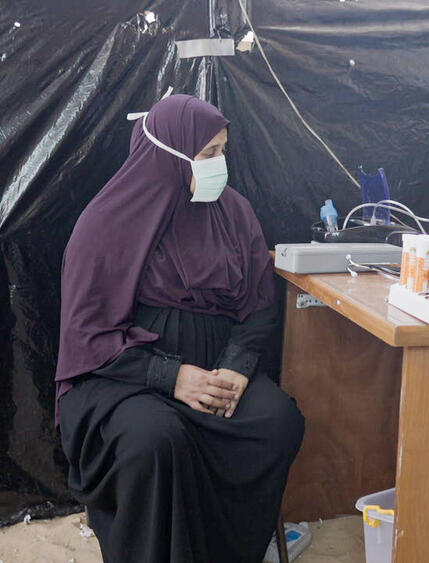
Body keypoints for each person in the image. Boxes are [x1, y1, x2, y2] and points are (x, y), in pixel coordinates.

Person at [55, 94, 305, 562]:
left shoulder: (234, 213)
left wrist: (236, 369)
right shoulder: (105, 225)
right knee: (154, 440)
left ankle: (229, 551)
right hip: (124, 380)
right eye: (207, 154)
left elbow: (258, 306)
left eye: (223, 150)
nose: (220, 164)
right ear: (167, 155)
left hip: (217, 369)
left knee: (276, 422)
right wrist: (172, 377)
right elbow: (89, 336)